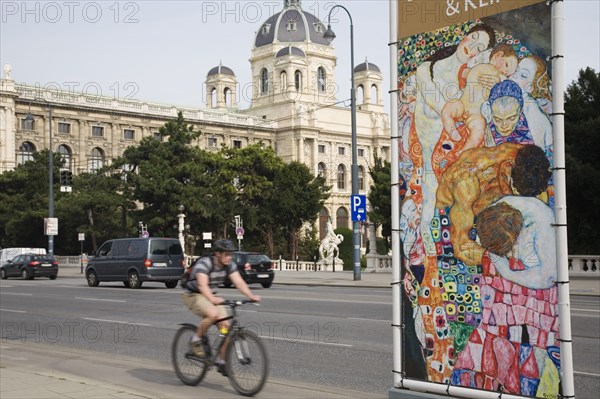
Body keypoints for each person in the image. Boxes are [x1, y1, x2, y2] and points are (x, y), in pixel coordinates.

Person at [413, 23, 496, 255]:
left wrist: (490, 82)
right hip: (429, 137)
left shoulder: (472, 76)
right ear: (464, 37)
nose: (473, 48)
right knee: (430, 186)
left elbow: (474, 107)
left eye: (481, 48)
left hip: (457, 138)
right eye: (473, 38)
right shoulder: (426, 69)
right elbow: (436, 102)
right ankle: (426, 231)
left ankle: (474, 234)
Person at [435, 143, 551, 266]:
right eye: (513, 192)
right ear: (507, 168)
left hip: (494, 220)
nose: (516, 201)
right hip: (454, 217)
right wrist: (497, 261)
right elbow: (461, 247)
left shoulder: (529, 161)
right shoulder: (466, 178)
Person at [433, 45, 519, 179]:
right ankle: (452, 130)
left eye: (507, 72)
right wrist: (466, 73)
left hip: (476, 113)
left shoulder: (500, 78)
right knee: (448, 108)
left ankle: (463, 152)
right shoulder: (477, 62)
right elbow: (464, 75)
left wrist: (499, 83)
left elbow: (506, 90)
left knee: (479, 128)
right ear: (498, 55)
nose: (504, 71)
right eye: (506, 65)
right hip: (462, 104)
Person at [181, 239, 261, 376]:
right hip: (194, 295)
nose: (230, 257)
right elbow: (202, 285)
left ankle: (221, 361)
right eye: (227, 254)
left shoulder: (228, 265)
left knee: (226, 327)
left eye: (231, 254)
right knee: (212, 314)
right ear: (218, 254)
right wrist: (212, 299)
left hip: (211, 295)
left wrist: (250, 295)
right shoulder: (205, 263)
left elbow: (239, 282)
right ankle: (195, 341)